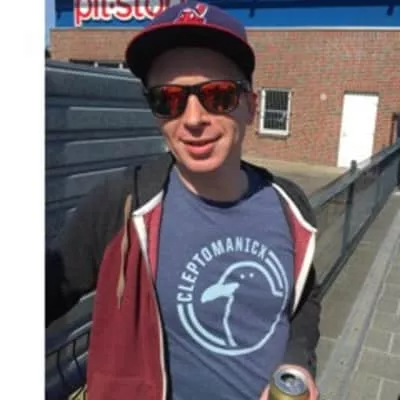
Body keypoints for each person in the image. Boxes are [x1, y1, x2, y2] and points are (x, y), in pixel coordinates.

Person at [46, 2, 321, 399]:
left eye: (218, 96)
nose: (192, 119)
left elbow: (304, 299)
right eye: (169, 100)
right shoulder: (121, 205)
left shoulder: (289, 205)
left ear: (251, 106)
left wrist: (297, 362)